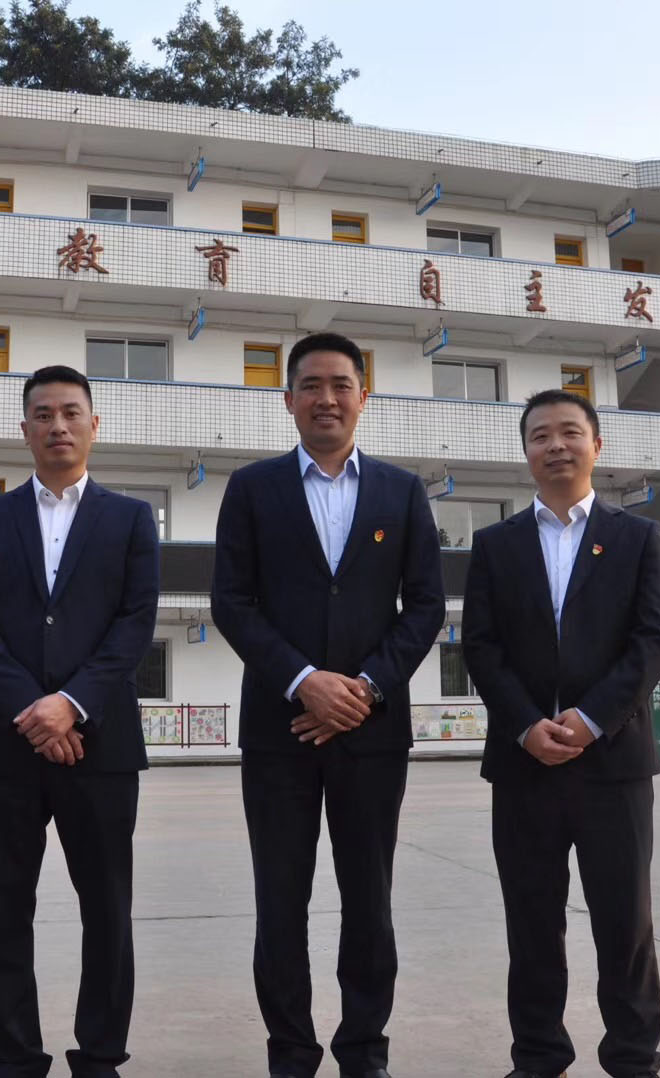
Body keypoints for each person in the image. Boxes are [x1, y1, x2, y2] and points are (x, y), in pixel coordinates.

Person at [211, 332, 445, 1078]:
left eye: (341, 384)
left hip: (372, 735)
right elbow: (232, 602)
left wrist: (366, 688)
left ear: (363, 397)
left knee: (369, 899)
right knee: (280, 900)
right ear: (288, 400)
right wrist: (303, 679)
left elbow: (426, 606)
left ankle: (363, 1050)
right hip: (279, 731)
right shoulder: (253, 488)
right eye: (311, 385)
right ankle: (291, 1051)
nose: (326, 398)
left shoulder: (401, 492)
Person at [0, 364, 160, 1078]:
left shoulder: (130, 519)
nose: (58, 425)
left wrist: (70, 703)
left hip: (101, 748)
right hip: (3, 749)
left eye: (71, 412)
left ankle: (100, 1055)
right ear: (25, 430)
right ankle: (15, 1058)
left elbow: (134, 624)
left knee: (107, 910)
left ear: (94, 426)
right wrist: (30, 707)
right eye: (43, 414)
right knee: (6, 910)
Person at [461, 388, 660, 1078]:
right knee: (531, 923)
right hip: (524, 766)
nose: (556, 445)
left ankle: (633, 1058)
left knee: (625, 922)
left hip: (614, 763)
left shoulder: (636, 537)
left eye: (569, 432)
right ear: (526, 452)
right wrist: (526, 726)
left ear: (596, 445)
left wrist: (589, 719)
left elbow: (652, 642)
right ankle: (538, 1056)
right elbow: (481, 647)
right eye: (540, 436)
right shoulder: (496, 545)